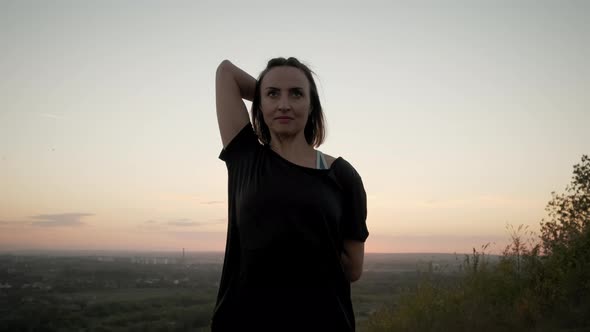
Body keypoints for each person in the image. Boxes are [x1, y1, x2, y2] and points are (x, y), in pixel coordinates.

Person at [211, 57, 369, 331]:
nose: (284, 104)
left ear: (312, 105)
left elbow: (353, 268)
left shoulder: (342, 175)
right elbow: (226, 72)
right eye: (273, 94)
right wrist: (262, 95)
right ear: (260, 104)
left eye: (296, 94)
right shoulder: (246, 157)